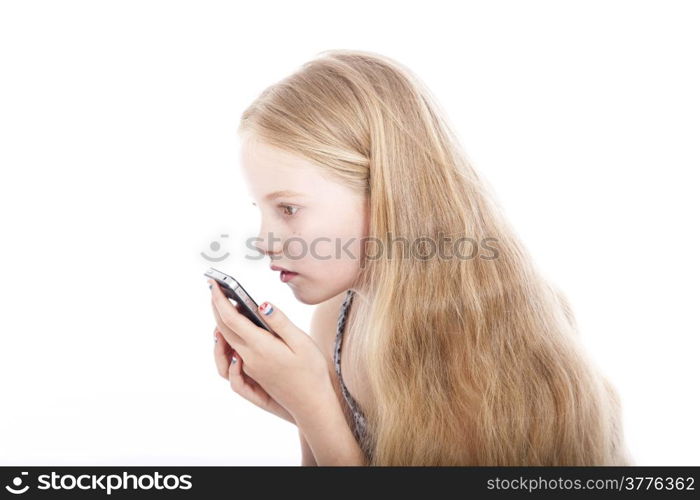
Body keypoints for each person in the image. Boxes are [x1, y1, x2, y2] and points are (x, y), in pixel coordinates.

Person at [207, 49, 632, 466]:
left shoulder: (477, 351)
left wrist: (314, 407)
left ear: (386, 193)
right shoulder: (339, 313)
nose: (264, 241)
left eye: (288, 209)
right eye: (259, 210)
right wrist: (303, 404)